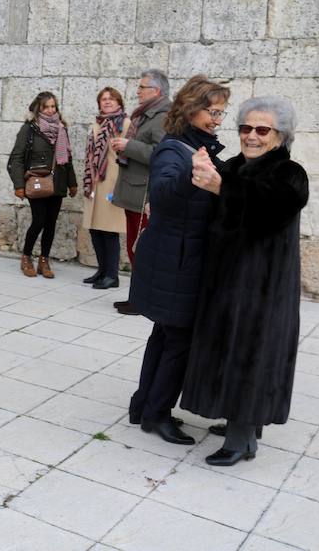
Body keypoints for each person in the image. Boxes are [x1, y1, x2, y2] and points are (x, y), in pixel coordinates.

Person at [181, 97, 308, 466]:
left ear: (280, 136)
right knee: (227, 350)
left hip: (262, 288)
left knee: (251, 356)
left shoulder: (290, 174)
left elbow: (269, 209)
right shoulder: (235, 166)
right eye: (246, 128)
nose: (252, 136)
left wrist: (221, 187)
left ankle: (241, 440)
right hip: (227, 282)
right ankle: (243, 424)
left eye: (262, 130)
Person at [128, 75, 231, 445]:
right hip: (178, 259)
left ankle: (142, 405)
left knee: (164, 334)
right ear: (191, 109)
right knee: (179, 340)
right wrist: (195, 177)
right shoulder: (176, 150)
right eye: (212, 111)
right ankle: (157, 415)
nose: (217, 120)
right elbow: (164, 194)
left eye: (221, 112)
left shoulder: (195, 146)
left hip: (178, 255)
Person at [108, 70, 171, 314]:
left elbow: (163, 153)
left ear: (156, 91)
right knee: (135, 247)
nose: (138, 91)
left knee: (140, 248)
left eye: (142, 87)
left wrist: (128, 145)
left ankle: (142, 300)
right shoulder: (147, 114)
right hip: (134, 190)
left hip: (143, 193)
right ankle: (137, 296)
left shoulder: (163, 116)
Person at [7, 91, 78, 278]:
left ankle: (44, 260)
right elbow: (16, 159)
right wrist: (18, 185)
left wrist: (72, 183)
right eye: (46, 107)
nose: (50, 110)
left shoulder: (62, 129)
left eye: (53, 106)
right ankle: (26, 256)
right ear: (38, 108)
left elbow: (67, 159)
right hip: (37, 182)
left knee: (51, 223)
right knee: (39, 220)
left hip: (58, 181)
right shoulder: (29, 129)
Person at [81, 87, 128, 289]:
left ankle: (112, 275)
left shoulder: (124, 123)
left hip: (112, 182)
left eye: (111, 99)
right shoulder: (97, 123)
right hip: (94, 183)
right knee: (95, 229)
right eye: (103, 99)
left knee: (109, 230)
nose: (107, 102)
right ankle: (101, 270)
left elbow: (128, 153)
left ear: (119, 103)